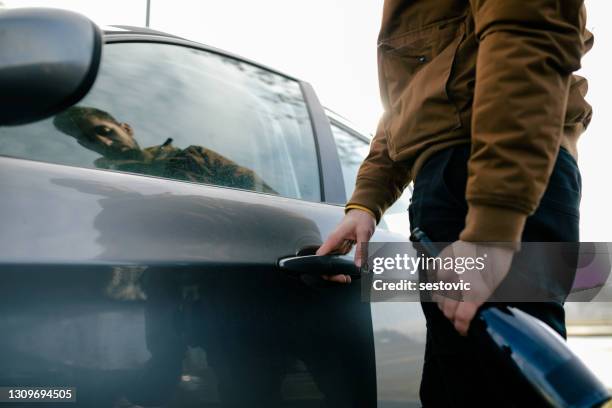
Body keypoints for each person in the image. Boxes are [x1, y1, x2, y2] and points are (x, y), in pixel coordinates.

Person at [317, 1, 592, 406]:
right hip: (458, 184)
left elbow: (527, 35)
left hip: (485, 175)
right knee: (458, 386)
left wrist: (492, 227)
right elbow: (408, 102)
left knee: (498, 389)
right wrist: (367, 201)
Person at [53, 106, 277, 194]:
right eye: (90, 140)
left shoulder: (196, 156)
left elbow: (262, 195)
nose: (106, 143)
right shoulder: (104, 186)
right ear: (84, 146)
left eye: (106, 131)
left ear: (126, 128)